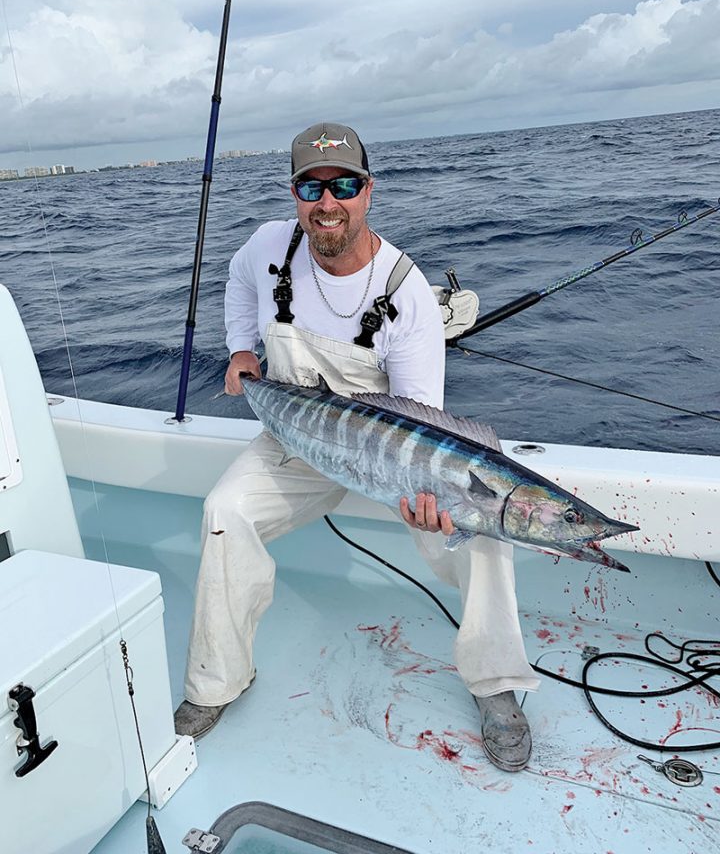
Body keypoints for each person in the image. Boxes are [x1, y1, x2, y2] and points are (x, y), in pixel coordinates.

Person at [174, 121, 538, 772]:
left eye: (343, 184)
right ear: (294, 196)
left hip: (390, 465)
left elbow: (422, 419)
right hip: (294, 438)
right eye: (311, 187)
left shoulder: (407, 294)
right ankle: (215, 684)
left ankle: (496, 686)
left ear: (368, 191)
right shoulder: (266, 248)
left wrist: (422, 496)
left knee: (482, 533)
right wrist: (237, 349)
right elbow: (236, 282)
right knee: (223, 513)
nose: (327, 201)